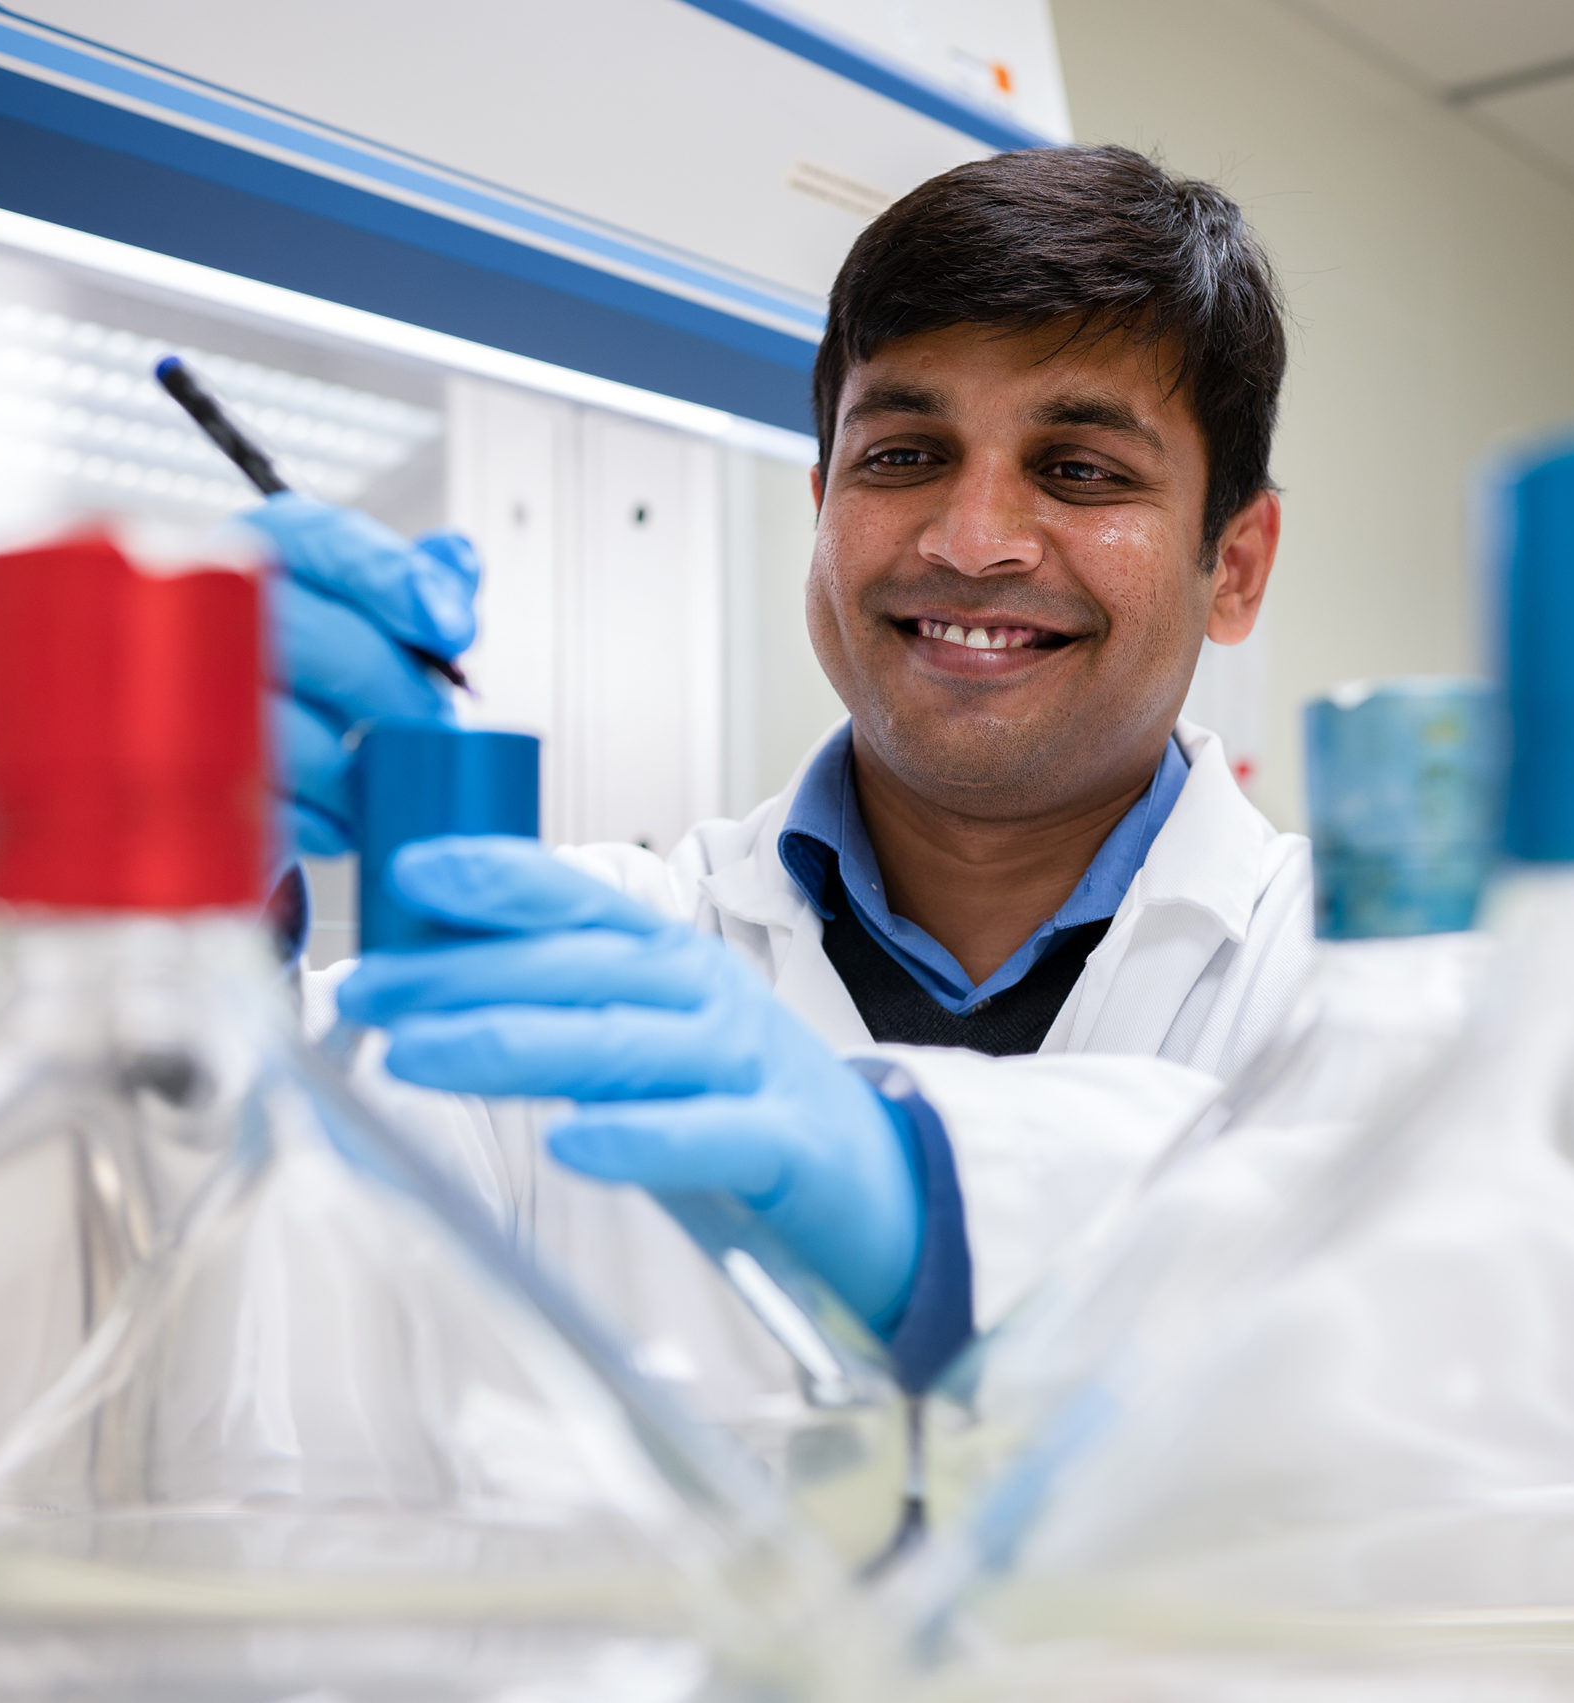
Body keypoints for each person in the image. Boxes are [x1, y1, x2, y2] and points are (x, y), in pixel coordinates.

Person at [255, 146, 1312, 1410]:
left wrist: (927, 1183)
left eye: (1079, 469)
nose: (969, 542)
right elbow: (166, 1246)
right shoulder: (584, 968)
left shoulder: (1368, 979)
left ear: (1235, 564)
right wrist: (152, 914)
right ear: (821, 507)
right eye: (904, 455)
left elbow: (1490, 1342)